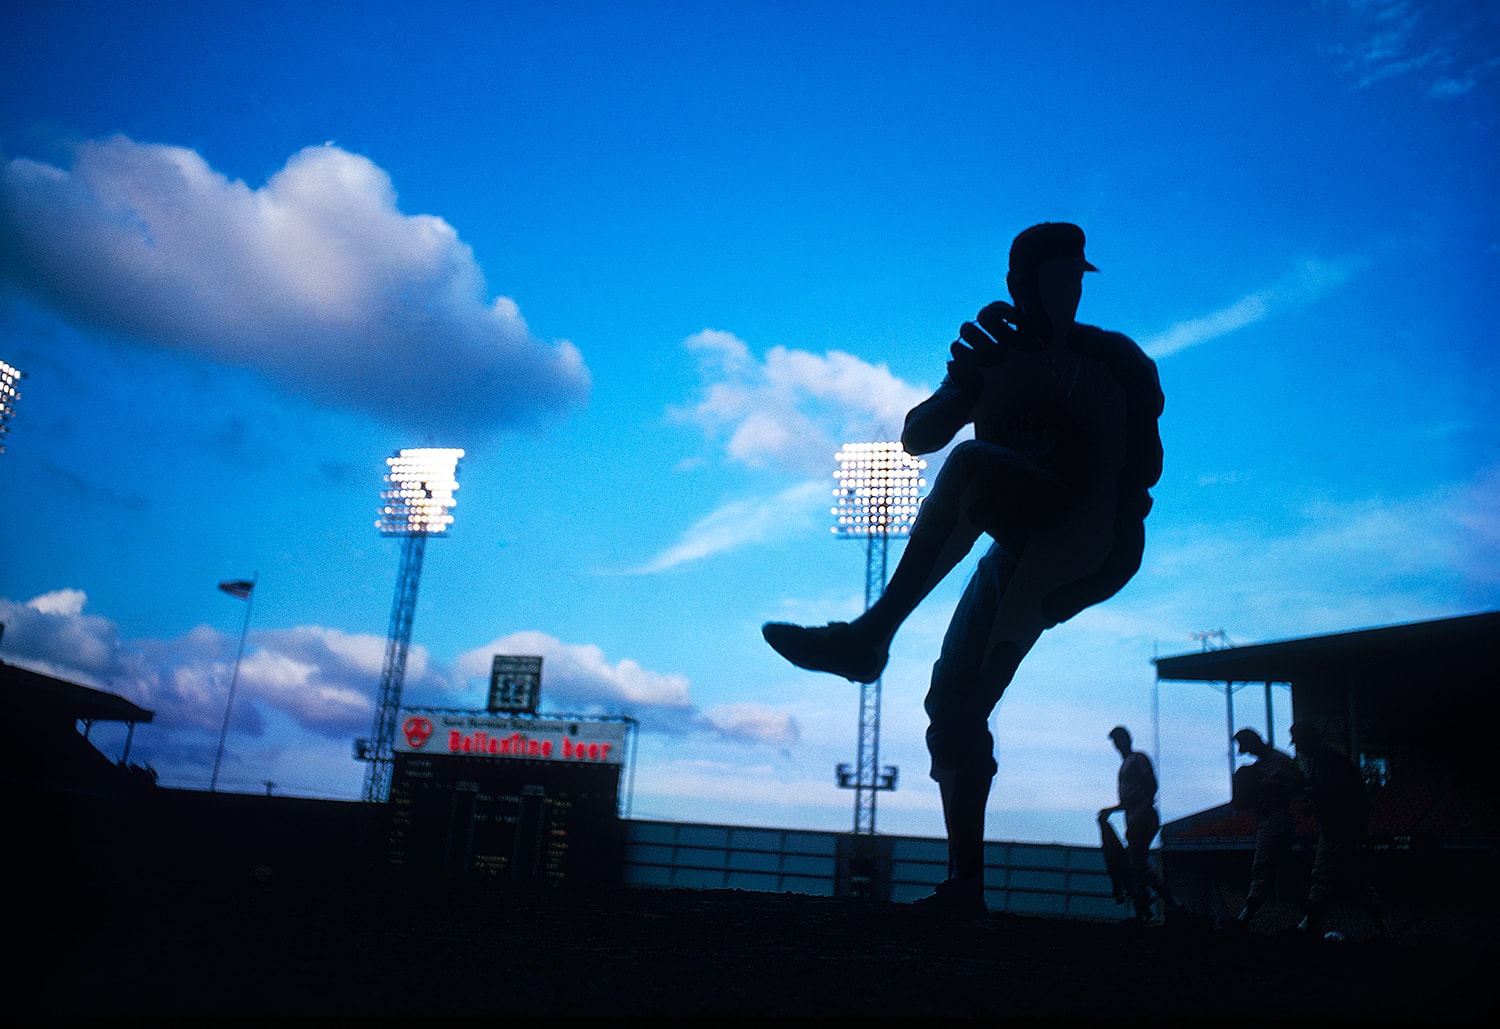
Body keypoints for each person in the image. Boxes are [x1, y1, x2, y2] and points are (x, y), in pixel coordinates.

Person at [762, 223, 1165, 913]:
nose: (1068, 292)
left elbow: (1144, 468)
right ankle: (965, 885)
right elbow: (918, 436)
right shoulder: (995, 353)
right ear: (1020, 285)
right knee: (954, 704)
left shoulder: (1113, 359)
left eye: (1076, 279)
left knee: (975, 468)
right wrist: (964, 379)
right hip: (1021, 546)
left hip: (1091, 538)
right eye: (1056, 278)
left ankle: (869, 637)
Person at [1289, 722, 1393, 940]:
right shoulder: (1323, 761)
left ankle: (1308, 927)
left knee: (1331, 878)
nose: (1298, 747)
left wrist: (1314, 801)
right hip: (1337, 828)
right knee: (1347, 880)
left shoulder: (1330, 762)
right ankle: (1382, 929)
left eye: (1299, 742)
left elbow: (1340, 797)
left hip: (1342, 828)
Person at [1098, 726, 1180, 923]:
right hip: (1136, 816)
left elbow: (1151, 783)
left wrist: (1143, 806)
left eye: (1119, 740)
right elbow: (1130, 800)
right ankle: (1147, 909)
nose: (1117, 745)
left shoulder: (1137, 759)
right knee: (1137, 865)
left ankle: (1169, 904)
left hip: (1142, 816)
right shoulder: (1127, 763)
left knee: (1138, 864)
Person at [1230, 727, 1304, 927]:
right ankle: (1309, 918)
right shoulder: (1261, 765)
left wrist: (1265, 785)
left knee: (1261, 867)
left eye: (1248, 747)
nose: (1249, 752)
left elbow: (1299, 784)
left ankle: (1245, 918)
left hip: (1277, 818)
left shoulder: (1279, 760)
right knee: (1287, 872)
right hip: (1267, 819)